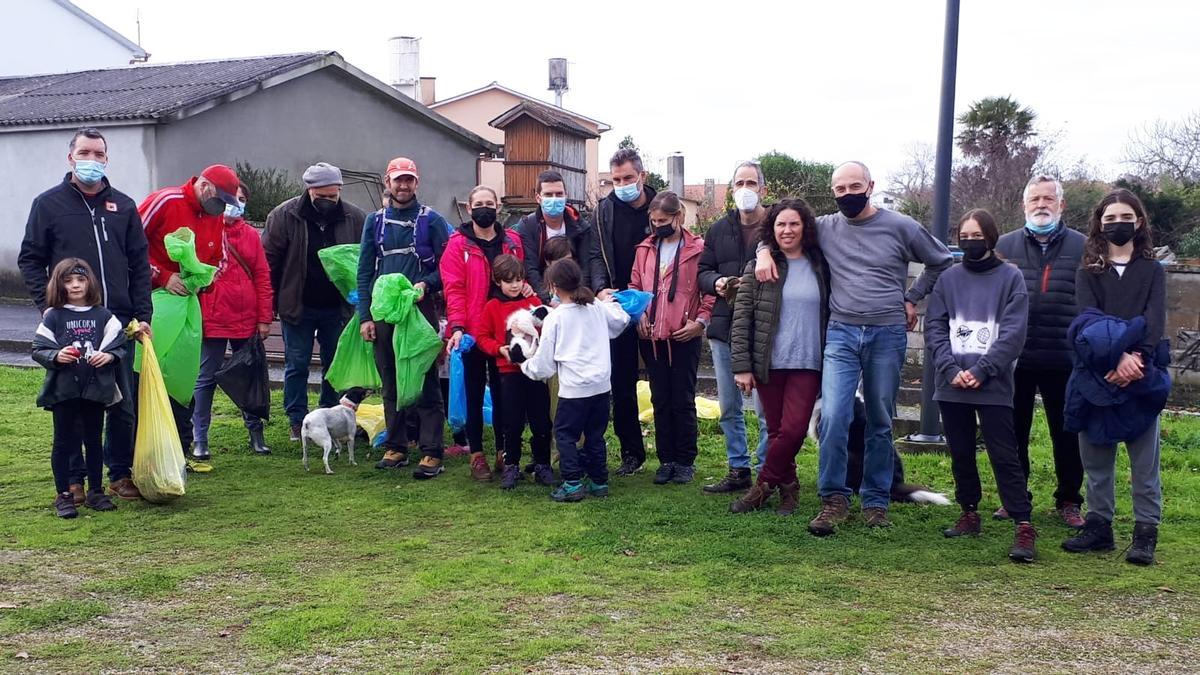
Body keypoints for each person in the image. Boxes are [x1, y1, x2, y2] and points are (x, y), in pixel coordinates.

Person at [755, 161, 952, 534]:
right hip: (842, 333)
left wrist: (912, 298)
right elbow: (784, 226)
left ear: (871, 185)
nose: (848, 194)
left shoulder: (902, 226)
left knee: (879, 420)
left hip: (886, 333)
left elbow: (940, 261)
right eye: (840, 189)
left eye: (854, 186)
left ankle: (876, 499)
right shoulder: (827, 227)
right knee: (832, 416)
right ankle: (833, 498)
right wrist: (764, 250)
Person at [19, 127, 152, 502]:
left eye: (98, 154)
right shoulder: (49, 204)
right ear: (71, 157)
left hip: (118, 323)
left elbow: (139, 264)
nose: (91, 160)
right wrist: (47, 307)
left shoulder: (124, 206)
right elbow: (30, 258)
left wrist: (143, 314)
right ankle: (74, 481)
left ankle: (119, 475)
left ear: (107, 159)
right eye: (85, 152)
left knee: (122, 403)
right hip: (71, 324)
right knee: (74, 406)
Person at [1062, 189, 1168, 566]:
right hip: (1096, 372)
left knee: (1144, 463)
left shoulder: (1153, 271)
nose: (1116, 224)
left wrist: (1134, 359)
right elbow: (1088, 321)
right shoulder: (1087, 270)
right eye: (1109, 219)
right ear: (1099, 225)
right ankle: (1099, 527)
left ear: (1138, 222)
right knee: (1096, 459)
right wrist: (1116, 356)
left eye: (1124, 217)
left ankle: (1145, 533)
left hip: (1141, 374)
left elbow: (1154, 322)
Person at [925, 209, 1037, 563]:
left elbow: (1014, 332)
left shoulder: (1011, 278)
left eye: (977, 236)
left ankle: (1022, 522)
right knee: (960, 452)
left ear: (991, 238)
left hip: (993, 384)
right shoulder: (948, 279)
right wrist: (949, 367)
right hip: (952, 382)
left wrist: (984, 370)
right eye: (964, 236)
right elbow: (935, 328)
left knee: (1005, 455)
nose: (970, 241)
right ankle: (969, 512)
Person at [994, 175, 1087, 528]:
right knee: (1011, 432)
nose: (1041, 205)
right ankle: (1014, 498)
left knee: (1067, 433)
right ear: (1024, 205)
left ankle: (1069, 500)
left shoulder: (1083, 247)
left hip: (1064, 356)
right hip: (1014, 357)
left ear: (1061, 205)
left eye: (1048, 199)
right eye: (1034, 199)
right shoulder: (1004, 246)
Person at [728, 199, 828, 515]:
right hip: (768, 362)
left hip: (808, 362)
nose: (787, 230)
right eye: (780, 224)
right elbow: (742, 318)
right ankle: (789, 491)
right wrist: (742, 366)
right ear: (772, 228)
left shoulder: (821, 264)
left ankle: (762, 487)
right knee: (775, 431)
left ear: (805, 227)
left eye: (794, 224)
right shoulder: (760, 266)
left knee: (794, 429)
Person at [139, 163, 242, 466]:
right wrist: (162, 276)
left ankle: (177, 451)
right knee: (145, 373)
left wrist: (203, 279)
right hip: (152, 303)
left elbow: (219, 258)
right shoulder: (166, 201)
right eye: (220, 199)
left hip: (186, 307)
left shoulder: (216, 216)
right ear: (206, 186)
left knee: (182, 376)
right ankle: (137, 451)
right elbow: (129, 244)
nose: (222, 207)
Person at [357, 157, 451, 478]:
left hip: (419, 310)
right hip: (384, 313)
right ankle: (397, 446)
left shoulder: (432, 221)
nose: (403, 185)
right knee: (390, 380)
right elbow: (364, 270)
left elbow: (448, 265)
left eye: (409, 179)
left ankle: (432, 451)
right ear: (387, 182)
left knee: (424, 379)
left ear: (417, 183)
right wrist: (365, 316)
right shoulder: (375, 221)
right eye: (398, 179)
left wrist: (429, 283)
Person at [263, 163, 366, 441]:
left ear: (340, 191)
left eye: (333, 197)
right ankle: (298, 420)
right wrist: (270, 304)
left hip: (338, 306)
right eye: (322, 197)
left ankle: (330, 414)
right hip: (297, 304)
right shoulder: (284, 216)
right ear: (309, 191)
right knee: (297, 363)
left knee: (335, 364)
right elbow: (268, 262)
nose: (328, 202)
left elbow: (365, 260)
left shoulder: (354, 217)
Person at [516, 259, 630, 501]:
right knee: (595, 434)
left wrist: (524, 364)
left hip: (574, 390)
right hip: (600, 386)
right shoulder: (596, 308)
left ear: (553, 286)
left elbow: (544, 364)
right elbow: (620, 321)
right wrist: (610, 302)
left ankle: (572, 482)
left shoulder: (556, 318)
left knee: (566, 435)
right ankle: (599, 481)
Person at [441, 185, 525, 481]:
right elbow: (454, 289)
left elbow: (521, 279)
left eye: (490, 203)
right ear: (469, 208)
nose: (484, 208)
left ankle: (504, 451)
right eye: (479, 204)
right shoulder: (457, 245)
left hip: (507, 329)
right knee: (474, 393)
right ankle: (477, 455)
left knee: (506, 394)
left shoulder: (512, 241)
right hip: (475, 331)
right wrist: (458, 327)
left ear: (499, 206)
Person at [629, 191, 713, 485]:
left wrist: (700, 322)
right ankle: (666, 460)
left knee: (683, 399)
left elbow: (709, 292)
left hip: (683, 336)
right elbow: (635, 285)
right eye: (653, 221)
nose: (657, 226)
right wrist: (637, 314)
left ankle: (685, 460)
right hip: (651, 336)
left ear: (679, 217)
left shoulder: (699, 248)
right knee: (660, 398)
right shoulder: (644, 249)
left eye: (663, 220)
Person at [32, 259, 126, 518]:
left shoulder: (103, 316)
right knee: (63, 442)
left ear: (89, 282)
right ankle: (64, 495)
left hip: (95, 391)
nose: (75, 285)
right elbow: (38, 349)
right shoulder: (54, 316)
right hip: (64, 391)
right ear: (59, 284)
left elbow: (118, 345)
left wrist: (109, 357)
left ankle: (96, 491)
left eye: (80, 280)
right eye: (68, 280)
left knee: (93, 440)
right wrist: (56, 355)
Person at [699, 161, 771, 493]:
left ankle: (767, 472)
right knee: (729, 405)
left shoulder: (776, 226)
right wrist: (718, 282)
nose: (746, 189)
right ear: (731, 191)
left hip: (766, 329)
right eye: (740, 183)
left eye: (751, 182)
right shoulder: (717, 230)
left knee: (767, 408)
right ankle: (738, 468)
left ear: (763, 189)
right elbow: (702, 271)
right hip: (724, 327)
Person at [191, 184, 274, 460]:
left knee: (248, 377)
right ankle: (199, 438)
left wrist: (264, 317)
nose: (233, 204)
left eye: (239, 199)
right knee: (205, 379)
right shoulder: (204, 229)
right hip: (212, 317)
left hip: (246, 318)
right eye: (229, 198)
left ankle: (255, 433)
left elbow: (262, 276)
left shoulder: (250, 235)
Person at [592, 148, 657, 476]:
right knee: (621, 383)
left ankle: (675, 456)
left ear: (641, 176)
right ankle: (632, 453)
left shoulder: (661, 207)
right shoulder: (603, 210)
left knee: (662, 383)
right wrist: (601, 287)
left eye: (628, 178)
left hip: (656, 304)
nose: (622, 185)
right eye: (616, 180)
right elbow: (594, 253)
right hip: (617, 307)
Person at [476, 255, 553, 489]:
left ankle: (542, 464)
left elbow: (548, 327)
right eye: (509, 281)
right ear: (498, 281)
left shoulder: (534, 301)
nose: (515, 285)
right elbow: (482, 337)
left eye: (519, 280)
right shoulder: (492, 307)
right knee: (512, 421)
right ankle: (511, 465)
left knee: (541, 420)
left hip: (536, 372)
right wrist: (499, 349)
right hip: (509, 373)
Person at [517, 170, 601, 303]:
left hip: (574, 294)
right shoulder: (527, 226)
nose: (554, 198)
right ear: (538, 198)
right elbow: (531, 269)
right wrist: (548, 301)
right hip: (542, 296)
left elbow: (585, 267)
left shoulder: (581, 226)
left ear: (566, 196)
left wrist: (576, 299)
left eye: (559, 194)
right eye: (548, 195)